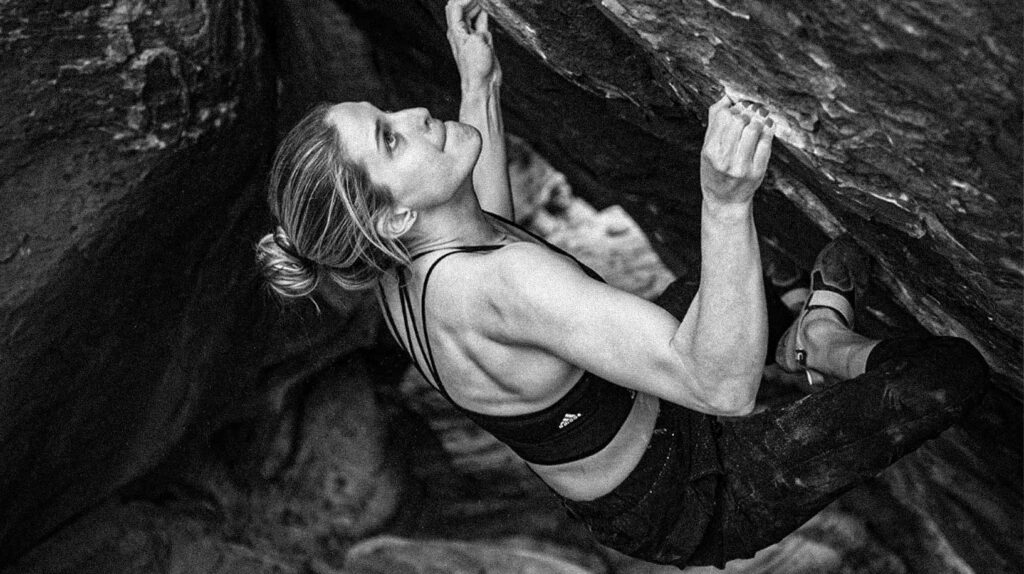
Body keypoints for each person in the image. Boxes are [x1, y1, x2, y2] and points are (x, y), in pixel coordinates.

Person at [255, 0, 989, 567]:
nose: (412, 113)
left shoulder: (403, 274)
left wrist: (480, 82)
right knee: (941, 376)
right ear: (393, 218)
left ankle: (803, 333)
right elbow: (719, 389)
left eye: (385, 113)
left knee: (752, 279)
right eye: (390, 138)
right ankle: (820, 335)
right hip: (696, 489)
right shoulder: (506, 288)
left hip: (637, 430)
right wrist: (724, 201)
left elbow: (488, 224)